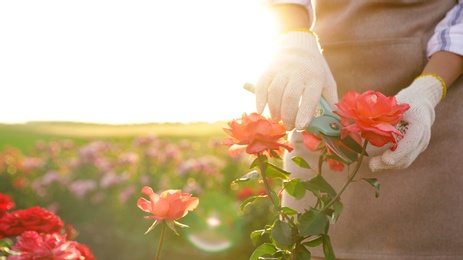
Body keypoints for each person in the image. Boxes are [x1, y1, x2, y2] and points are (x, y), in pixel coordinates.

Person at [254, 1, 463, 259]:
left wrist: (430, 88)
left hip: (435, 98)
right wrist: (295, 39)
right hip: (324, 95)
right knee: (308, 242)